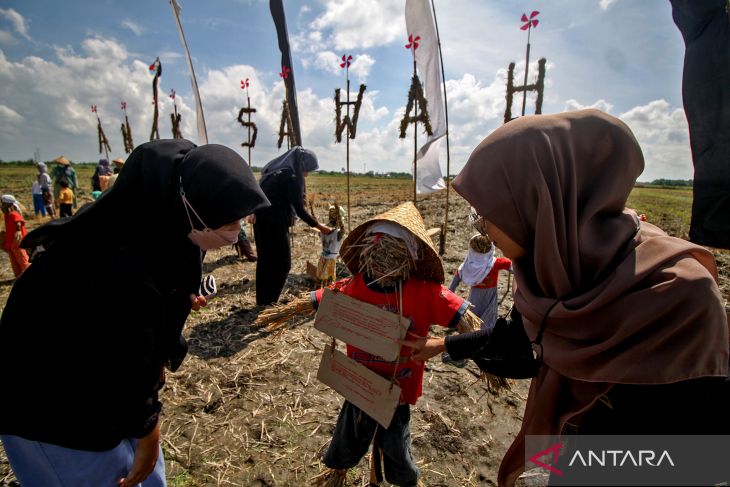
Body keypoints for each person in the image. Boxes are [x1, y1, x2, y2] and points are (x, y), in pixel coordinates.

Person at [401, 109, 729, 486]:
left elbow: (698, 460)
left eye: (488, 213)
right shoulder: (554, 270)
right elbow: (523, 342)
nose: (484, 230)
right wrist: (442, 345)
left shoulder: (680, 297)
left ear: (541, 200)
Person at [0, 139, 269, 487]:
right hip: (52, 408)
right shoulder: (108, 261)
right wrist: (147, 430)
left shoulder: (164, 224)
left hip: (108, 393)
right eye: (227, 222)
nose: (235, 234)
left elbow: (155, 320)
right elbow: (125, 354)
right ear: (188, 206)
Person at [257, 202, 478, 487]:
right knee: (349, 434)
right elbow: (324, 297)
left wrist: (451, 344)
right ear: (368, 248)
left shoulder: (424, 293)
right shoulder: (356, 285)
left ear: (408, 256)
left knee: (396, 442)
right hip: (358, 382)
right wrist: (288, 310)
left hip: (397, 389)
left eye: (393, 248)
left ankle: (406, 481)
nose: (384, 255)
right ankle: (337, 471)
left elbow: (464, 317)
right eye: (379, 245)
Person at [252, 146, 333, 306]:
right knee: (283, 263)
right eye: (307, 169)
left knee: (265, 261)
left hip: (260, 221)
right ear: (302, 165)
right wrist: (321, 227)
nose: (307, 174)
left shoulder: (276, 173)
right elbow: (300, 210)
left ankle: (262, 301)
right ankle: (271, 302)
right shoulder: (292, 177)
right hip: (275, 224)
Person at [1, 195, 29, 278]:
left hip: (17, 241)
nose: (1, 206)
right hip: (11, 242)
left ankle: (29, 275)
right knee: (15, 261)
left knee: (22, 259)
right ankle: (20, 276)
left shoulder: (14, 214)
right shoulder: (7, 215)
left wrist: (18, 230)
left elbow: (18, 222)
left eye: (2, 204)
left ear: (7, 205)